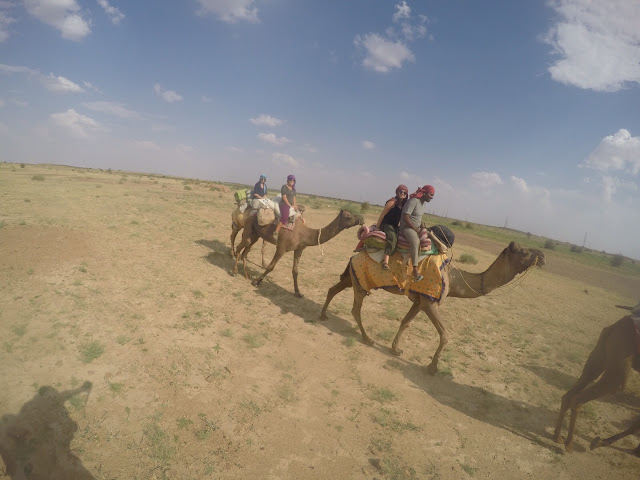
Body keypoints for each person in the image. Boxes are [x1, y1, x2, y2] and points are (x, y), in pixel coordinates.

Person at [399, 185, 435, 282]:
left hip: (416, 227)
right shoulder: (413, 201)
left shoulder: (423, 204)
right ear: (425, 193)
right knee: (415, 242)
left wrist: (422, 226)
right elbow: (406, 216)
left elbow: (417, 218)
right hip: (407, 227)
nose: (432, 197)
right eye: (431, 195)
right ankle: (415, 271)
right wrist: (415, 229)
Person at [374, 184, 408, 270]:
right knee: (392, 238)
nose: (402, 194)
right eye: (401, 192)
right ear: (397, 192)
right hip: (386, 224)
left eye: (405, 193)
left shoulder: (403, 205)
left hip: (395, 226)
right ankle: (385, 262)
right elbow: (383, 214)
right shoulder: (392, 202)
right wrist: (377, 227)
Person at [274, 174, 299, 240]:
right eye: (291, 179)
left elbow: (294, 198)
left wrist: (295, 206)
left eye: (293, 180)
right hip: (284, 204)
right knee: (285, 217)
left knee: (299, 214)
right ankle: (276, 232)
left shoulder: (293, 189)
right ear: (288, 180)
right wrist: (289, 205)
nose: (292, 181)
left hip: (291, 205)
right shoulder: (284, 187)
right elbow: (284, 197)